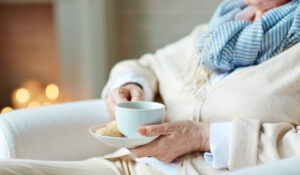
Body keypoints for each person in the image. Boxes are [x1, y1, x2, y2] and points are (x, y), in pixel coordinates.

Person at [0, 0, 299, 175]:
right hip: (129, 167)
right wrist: (129, 85)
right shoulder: (218, 33)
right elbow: (147, 65)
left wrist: (204, 138)